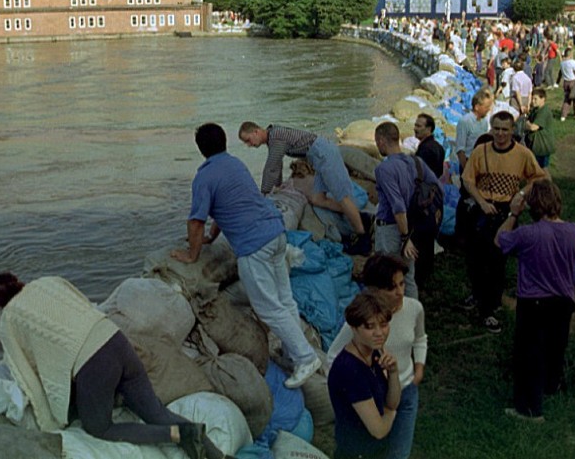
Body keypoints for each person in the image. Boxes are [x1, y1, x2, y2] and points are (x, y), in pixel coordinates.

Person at [0, 273, 228, 459]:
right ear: (17, 280)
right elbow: (87, 306)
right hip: (117, 340)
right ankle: (215, 453)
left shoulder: (8, 321)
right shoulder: (49, 282)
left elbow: (25, 375)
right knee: (155, 412)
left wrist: (48, 422)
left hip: (93, 364)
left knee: (99, 428)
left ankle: (176, 435)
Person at [173, 123, 321, 388]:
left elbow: (196, 221)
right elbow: (227, 208)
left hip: (255, 246)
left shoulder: (204, 177)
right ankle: (293, 353)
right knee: (284, 301)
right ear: (225, 143)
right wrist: (213, 237)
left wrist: (192, 254)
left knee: (267, 308)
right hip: (276, 233)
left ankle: (306, 357)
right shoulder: (235, 165)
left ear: (201, 149)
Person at [494, 180, 575, 421]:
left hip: (534, 301)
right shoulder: (574, 231)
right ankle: (551, 386)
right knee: (555, 348)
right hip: (563, 300)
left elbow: (499, 240)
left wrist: (513, 213)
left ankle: (530, 410)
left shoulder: (528, 234)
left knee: (529, 355)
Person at [327, 255, 427, 459]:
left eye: (402, 284)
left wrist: (416, 370)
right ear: (374, 291)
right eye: (392, 287)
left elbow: (420, 338)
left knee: (398, 453)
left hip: (403, 388)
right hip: (373, 401)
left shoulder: (414, 309)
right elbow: (334, 358)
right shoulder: (359, 328)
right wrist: (346, 393)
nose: (400, 292)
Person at [461, 111, 547, 333]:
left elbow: (539, 177)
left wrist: (521, 194)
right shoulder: (481, 152)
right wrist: (481, 202)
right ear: (491, 129)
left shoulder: (522, 154)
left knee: (497, 259)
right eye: (496, 129)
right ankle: (479, 293)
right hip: (482, 208)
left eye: (505, 129)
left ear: (512, 131)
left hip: (506, 211)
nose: (500, 134)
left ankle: (489, 308)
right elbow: (467, 179)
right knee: (475, 257)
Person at [238, 122, 371, 255]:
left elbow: (271, 167)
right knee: (317, 199)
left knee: (342, 197)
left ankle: (362, 236)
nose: (249, 145)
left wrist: (264, 194)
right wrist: (277, 185)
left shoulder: (275, 136)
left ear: (256, 132)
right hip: (317, 158)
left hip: (324, 154)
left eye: (248, 140)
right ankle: (359, 216)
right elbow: (276, 164)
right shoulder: (273, 137)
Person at [327, 291, 402, 459]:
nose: (379, 333)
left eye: (383, 325)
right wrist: (390, 413)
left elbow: (393, 401)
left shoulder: (374, 353)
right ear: (354, 328)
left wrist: (393, 372)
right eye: (370, 326)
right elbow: (378, 430)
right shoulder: (349, 369)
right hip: (356, 452)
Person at [373, 122, 420, 299]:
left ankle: (391, 317)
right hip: (409, 225)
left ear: (382, 140)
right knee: (408, 277)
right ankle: (415, 317)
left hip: (393, 230)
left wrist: (405, 237)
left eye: (377, 142)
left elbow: (397, 205)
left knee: (387, 278)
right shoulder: (411, 162)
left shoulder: (384, 169)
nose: (377, 146)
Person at [454, 87, 493, 244]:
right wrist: (466, 170)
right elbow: (460, 149)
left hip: (480, 163)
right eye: (486, 106)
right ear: (477, 106)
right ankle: (460, 233)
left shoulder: (484, 121)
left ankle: (474, 230)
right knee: (465, 197)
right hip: (468, 162)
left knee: (477, 196)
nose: (488, 109)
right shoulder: (465, 122)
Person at [523, 87, 555, 168]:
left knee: (542, 170)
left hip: (542, 146)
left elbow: (533, 127)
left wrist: (526, 124)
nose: (533, 101)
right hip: (535, 145)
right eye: (532, 98)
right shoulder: (535, 110)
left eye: (535, 99)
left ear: (543, 99)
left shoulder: (544, 111)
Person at [414, 113, 445, 179]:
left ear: (428, 129)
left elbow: (421, 173)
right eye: (415, 125)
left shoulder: (426, 149)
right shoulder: (438, 147)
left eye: (418, 126)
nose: (415, 129)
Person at [559, 48, 575, 122]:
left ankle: (563, 115)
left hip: (565, 81)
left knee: (567, 99)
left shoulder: (562, 63)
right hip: (573, 81)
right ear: (570, 54)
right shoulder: (573, 62)